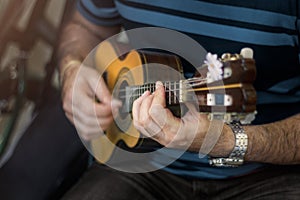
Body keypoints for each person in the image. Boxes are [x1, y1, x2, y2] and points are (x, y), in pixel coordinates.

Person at [58, 0, 300, 199]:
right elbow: (87, 26)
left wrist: (228, 142)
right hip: (141, 162)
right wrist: (71, 68)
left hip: (268, 170)